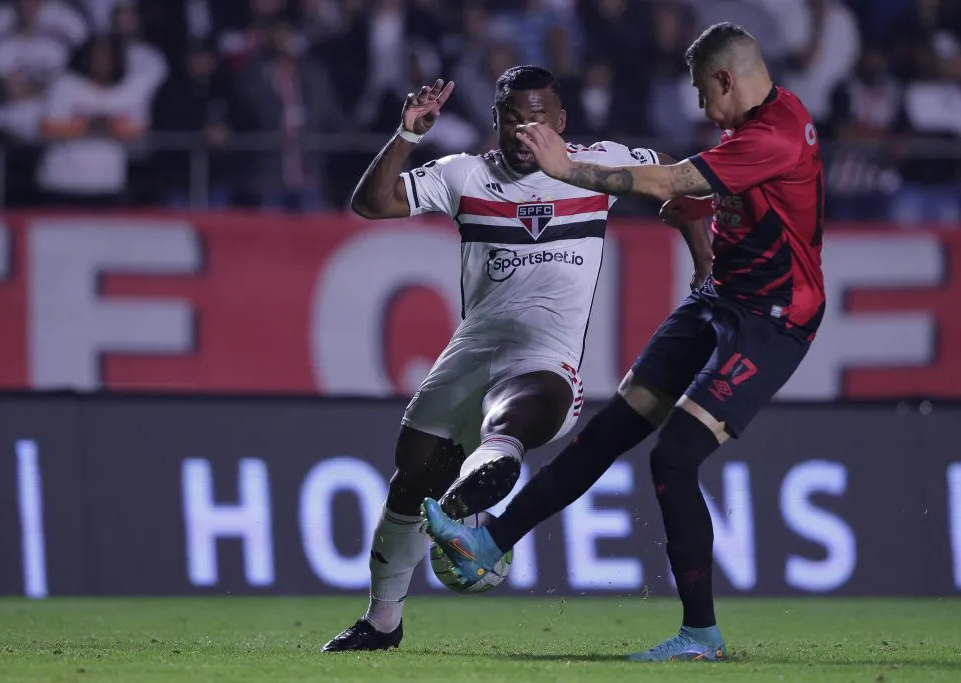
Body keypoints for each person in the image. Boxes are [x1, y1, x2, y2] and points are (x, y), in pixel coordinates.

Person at [423, 23, 826, 663]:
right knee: (614, 427)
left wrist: (567, 168)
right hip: (720, 298)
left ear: (724, 79)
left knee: (674, 459)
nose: (700, 107)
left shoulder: (770, 134)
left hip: (772, 318)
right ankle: (490, 542)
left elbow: (671, 184)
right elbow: (710, 197)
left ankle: (701, 636)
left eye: (701, 92)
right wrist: (705, 235)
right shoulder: (761, 120)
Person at [322, 66, 713, 652]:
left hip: (546, 358)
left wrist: (705, 263)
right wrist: (407, 135)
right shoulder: (465, 173)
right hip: (471, 352)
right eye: (511, 119)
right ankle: (382, 622)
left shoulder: (599, 164)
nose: (522, 131)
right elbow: (372, 204)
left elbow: (688, 185)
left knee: (519, 407)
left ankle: (490, 468)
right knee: (409, 483)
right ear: (496, 120)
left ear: (560, 122)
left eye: (535, 119)